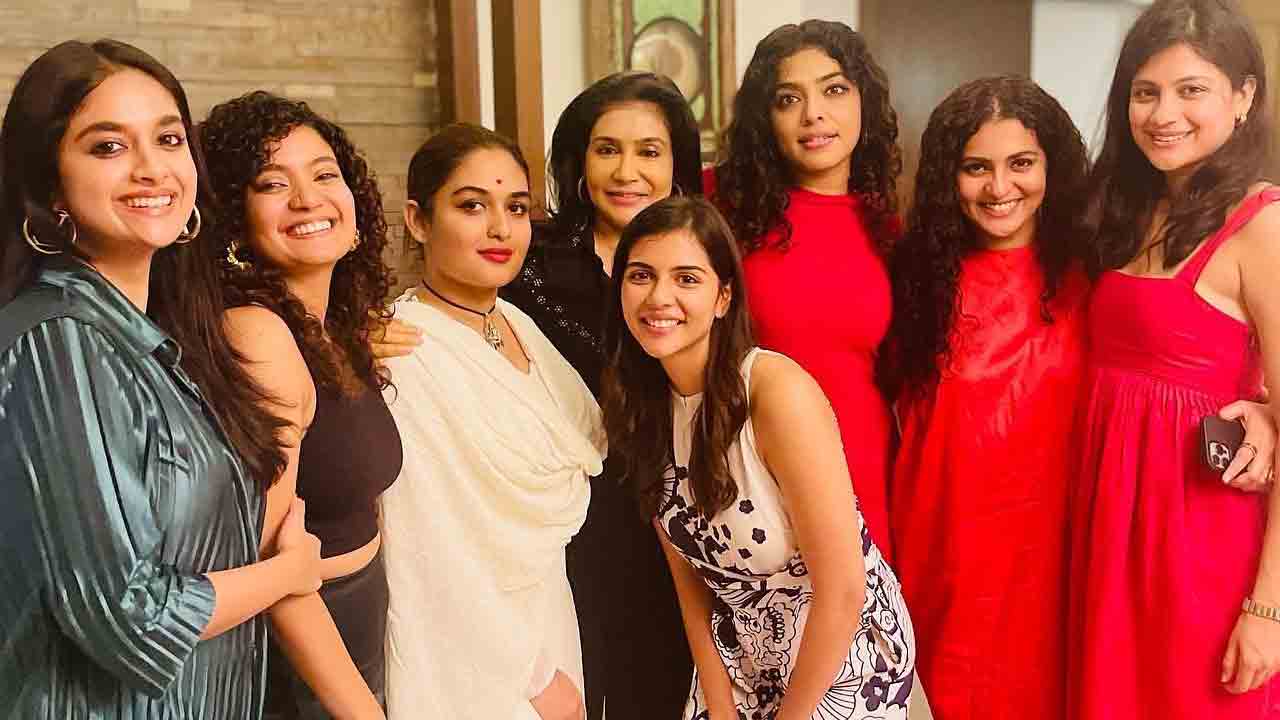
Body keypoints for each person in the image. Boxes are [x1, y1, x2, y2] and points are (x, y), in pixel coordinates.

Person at [0, 39, 322, 718]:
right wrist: (285, 574)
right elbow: (128, 616)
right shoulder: (59, 339)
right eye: (108, 147)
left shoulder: (152, 341)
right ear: (49, 183)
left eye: (169, 139)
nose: (152, 169)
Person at [601, 196, 914, 720]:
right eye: (641, 276)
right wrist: (718, 703)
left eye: (686, 279)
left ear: (723, 297)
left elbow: (843, 589)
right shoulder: (641, 407)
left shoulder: (775, 392)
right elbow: (690, 584)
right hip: (742, 657)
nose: (659, 297)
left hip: (843, 654)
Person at [1068, 1, 1280, 716]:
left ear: (1243, 97)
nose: (1164, 114)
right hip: (1108, 529)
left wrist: (1269, 609)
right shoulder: (1121, 209)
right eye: (1145, 91)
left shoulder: (1263, 226)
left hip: (1199, 541)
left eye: (1192, 90)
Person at [879, 75, 1092, 720]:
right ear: (950, 177)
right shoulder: (913, 276)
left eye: (1021, 163)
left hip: (1055, 550)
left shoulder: (1095, 272)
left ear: (1052, 167)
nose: (1000, 188)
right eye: (977, 168)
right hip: (946, 546)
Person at [379, 123, 604, 720]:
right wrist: (534, 676)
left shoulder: (514, 322)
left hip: (547, 611)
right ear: (418, 220)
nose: (501, 228)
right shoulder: (404, 350)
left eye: (517, 208)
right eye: (472, 206)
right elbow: (431, 547)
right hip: (470, 654)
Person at [498, 70, 702, 719]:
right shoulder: (528, 262)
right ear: (580, 162)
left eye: (649, 151)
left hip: (675, 517)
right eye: (607, 148)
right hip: (560, 527)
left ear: (677, 166)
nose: (626, 171)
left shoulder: (704, 258)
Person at [199, 91, 400, 718]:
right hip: (300, 663)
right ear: (233, 219)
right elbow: (271, 560)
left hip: (358, 632)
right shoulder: (258, 336)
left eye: (324, 175)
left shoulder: (331, 327)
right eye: (273, 184)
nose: (308, 199)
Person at [706, 19, 902, 558]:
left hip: (862, 469)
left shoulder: (889, 228)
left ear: (864, 101)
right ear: (765, 119)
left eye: (834, 90)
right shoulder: (722, 208)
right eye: (788, 99)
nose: (813, 113)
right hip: (749, 473)